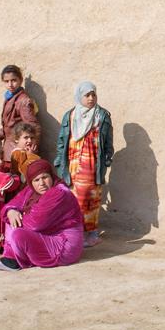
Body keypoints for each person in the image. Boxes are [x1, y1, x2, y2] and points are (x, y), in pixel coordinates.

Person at [0, 159, 83, 271]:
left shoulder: (59, 192)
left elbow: (36, 223)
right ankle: (11, 257)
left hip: (64, 244)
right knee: (12, 216)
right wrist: (11, 211)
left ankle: (14, 259)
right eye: (36, 180)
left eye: (45, 177)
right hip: (47, 234)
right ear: (31, 182)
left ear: (51, 176)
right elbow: (11, 205)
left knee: (18, 232)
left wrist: (16, 215)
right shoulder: (31, 190)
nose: (41, 183)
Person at [55, 80, 114, 248]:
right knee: (74, 197)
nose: (91, 98)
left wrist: (108, 158)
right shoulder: (70, 115)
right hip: (73, 164)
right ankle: (76, 232)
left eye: (93, 94)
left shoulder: (101, 115)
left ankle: (92, 233)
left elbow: (108, 140)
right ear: (79, 96)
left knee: (91, 197)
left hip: (93, 165)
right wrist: (59, 162)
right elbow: (62, 141)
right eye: (87, 95)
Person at [0, 64, 40, 161]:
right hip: (9, 149)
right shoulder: (10, 97)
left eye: (14, 80)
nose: (10, 84)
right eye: (6, 81)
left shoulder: (23, 101)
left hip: (20, 150)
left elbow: (33, 126)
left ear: (20, 80)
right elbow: (9, 127)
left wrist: (31, 150)